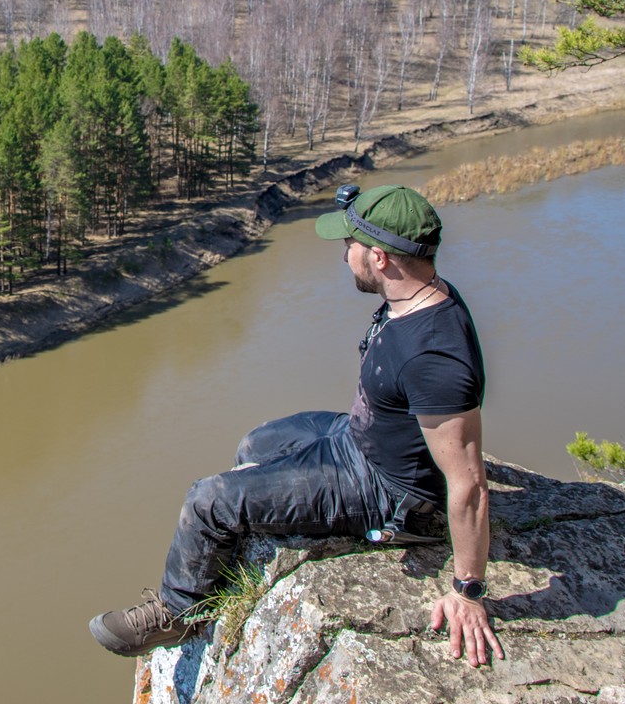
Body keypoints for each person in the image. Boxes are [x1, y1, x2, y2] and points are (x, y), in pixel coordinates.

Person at [88, 184, 503, 667]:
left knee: (207, 501)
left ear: (381, 258)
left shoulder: (433, 354)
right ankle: (235, 549)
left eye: (349, 245)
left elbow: (468, 482)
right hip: (360, 437)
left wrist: (467, 591)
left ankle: (181, 613)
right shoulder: (418, 292)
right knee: (256, 444)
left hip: (385, 488)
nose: (343, 254)